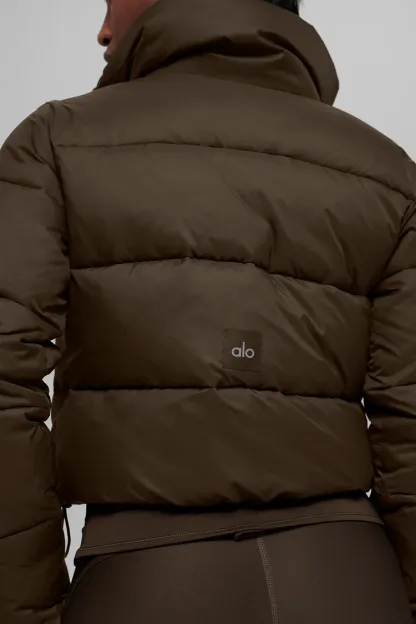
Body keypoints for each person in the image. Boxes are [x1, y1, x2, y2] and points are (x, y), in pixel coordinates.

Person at [0, 0, 415, 622]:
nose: (103, 28)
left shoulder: (56, 141)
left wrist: (25, 609)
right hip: (355, 578)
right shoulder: (389, 171)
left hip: (147, 582)